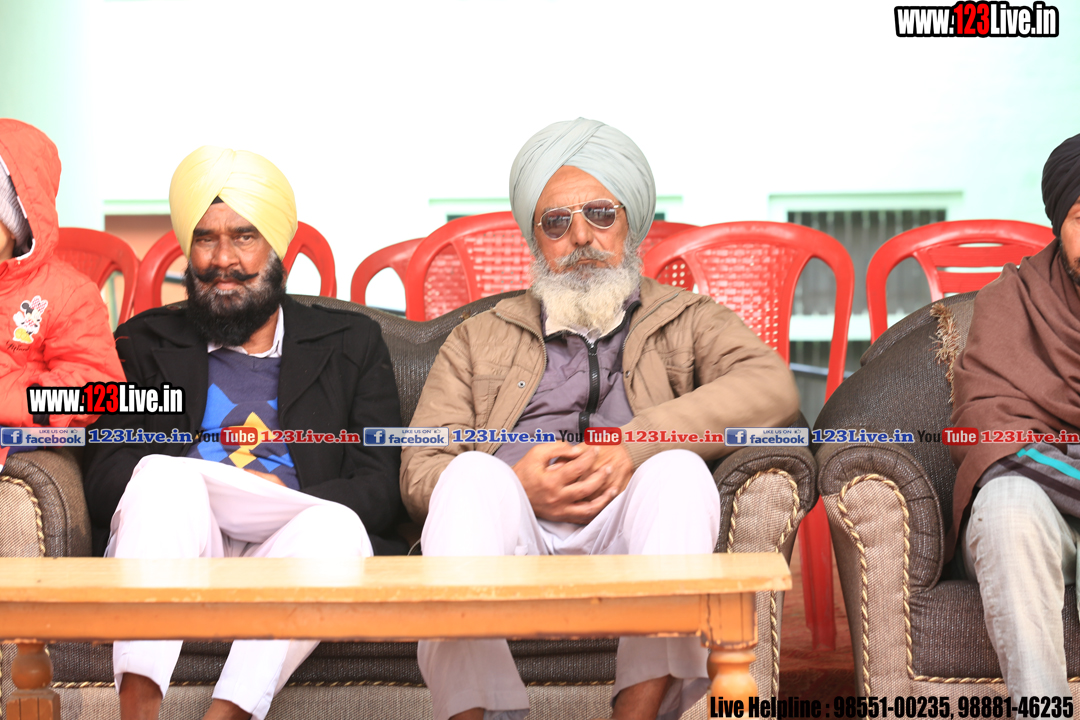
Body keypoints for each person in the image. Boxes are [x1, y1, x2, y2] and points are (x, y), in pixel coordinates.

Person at [401, 118, 800, 720]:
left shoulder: (689, 318)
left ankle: (634, 715)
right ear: (536, 240)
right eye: (556, 223)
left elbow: (772, 388)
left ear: (630, 224)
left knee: (678, 472)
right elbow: (421, 468)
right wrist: (516, 483)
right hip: (514, 528)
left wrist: (633, 448)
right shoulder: (477, 337)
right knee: (467, 476)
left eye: (600, 214)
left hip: (626, 520)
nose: (581, 237)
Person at [82, 146, 404, 720]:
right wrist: (199, 486)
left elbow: (380, 485)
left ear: (278, 248)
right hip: (184, 536)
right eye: (205, 239)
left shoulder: (352, 343)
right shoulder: (140, 342)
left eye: (244, 237)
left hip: (292, 538)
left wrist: (284, 500)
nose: (223, 259)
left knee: (337, 528)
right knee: (162, 479)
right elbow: (106, 471)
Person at [951, 132, 1080, 701]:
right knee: (1005, 501)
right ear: (1058, 224)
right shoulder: (1012, 302)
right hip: (1043, 511)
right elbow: (987, 432)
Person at [0, 119, 125, 462]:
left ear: (16, 219)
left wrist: (19, 402)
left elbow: (98, 387)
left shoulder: (68, 294)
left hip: (24, 438)